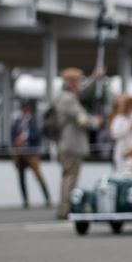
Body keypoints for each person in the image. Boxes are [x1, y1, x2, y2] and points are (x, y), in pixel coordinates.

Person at [53, 67, 103, 219]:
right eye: (78, 81)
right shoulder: (68, 99)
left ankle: (64, 207)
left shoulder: (64, 95)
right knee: (70, 177)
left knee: (67, 176)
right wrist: (95, 121)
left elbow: (81, 92)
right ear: (72, 82)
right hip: (72, 144)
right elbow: (81, 119)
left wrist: (93, 78)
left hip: (66, 144)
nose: (80, 84)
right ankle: (66, 208)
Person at [10, 100, 51, 208]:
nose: (24, 111)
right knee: (21, 176)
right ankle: (25, 201)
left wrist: (25, 137)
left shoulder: (33, 121)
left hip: (31, 152)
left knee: (38, 175)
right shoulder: (17, 121)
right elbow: (12, 134)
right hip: (20, 152)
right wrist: (16, 140)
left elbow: (37, 135)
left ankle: (47, 198)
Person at [108, 93, 132, 170]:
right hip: (121, 147)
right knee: (120, 168)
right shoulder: (118, 118)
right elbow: (114, 134)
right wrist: (126, 130)